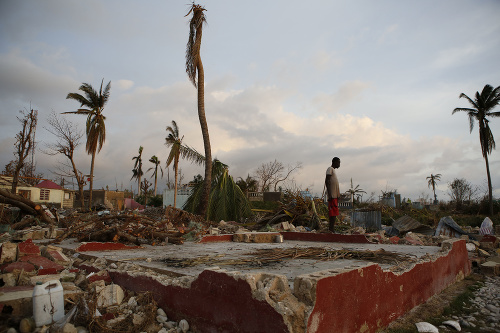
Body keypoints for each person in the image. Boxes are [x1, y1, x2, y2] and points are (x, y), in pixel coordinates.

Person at [325, 157, 341, 232]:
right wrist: (330, 194)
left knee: (334, 213)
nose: (339, 164)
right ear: (334, 162)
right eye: (338, 162)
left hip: (335, 196)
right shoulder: (330, 169)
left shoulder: (333, 170)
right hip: (332, 196)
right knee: (332, 213)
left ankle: (331, 229)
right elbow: (327, 181)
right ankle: (331, 229)